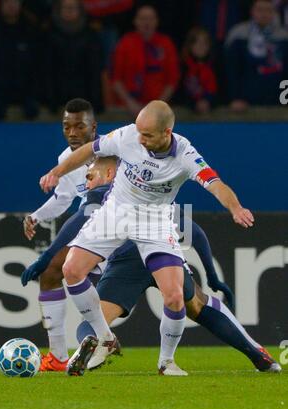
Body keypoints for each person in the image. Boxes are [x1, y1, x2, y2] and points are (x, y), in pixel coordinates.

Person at [39, 100, 257, 377]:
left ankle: (166, 362)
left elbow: (216, 184)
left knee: (175, 295)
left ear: (167, 133)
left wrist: (235, 208)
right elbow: (88, 150)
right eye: (139, 132)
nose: (140, 139)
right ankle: (105, 339)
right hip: (115, 212)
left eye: (148, 135)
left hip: (154, 221)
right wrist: (57, 172)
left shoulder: (186, 154)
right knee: (71, 269)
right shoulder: (128, 135)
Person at [23, 160, 280, 375]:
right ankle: (255, 353)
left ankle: (95, 344)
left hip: (127, 262)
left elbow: (76, 223)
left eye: (91, 174)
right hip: (162, 255)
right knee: (198, 305)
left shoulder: (103, 194)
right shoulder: (151, 189)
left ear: (111, 173)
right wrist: (212, 277)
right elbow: (194, 230)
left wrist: (45, 260)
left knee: (93, 320)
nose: (87, 181)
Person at [23, 98, 104, 371]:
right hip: (92, 230)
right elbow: (64, 198)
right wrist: (37, 215)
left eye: (79, 126)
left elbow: (90, 208)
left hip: (123, 229)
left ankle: (101, 339)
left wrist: (46, 254)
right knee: (51, 274)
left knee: (181, 296)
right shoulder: (65, 160)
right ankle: (58, 356)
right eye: (66, 126)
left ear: (94, 127)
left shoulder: (112, 153)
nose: (72, 133)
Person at [111, 5, 180, 116]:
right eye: (142, 19)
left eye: (151, 19)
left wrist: (157, 106)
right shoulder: (125, 43)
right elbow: (116, 79)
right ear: (135, 21)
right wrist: (130, 103)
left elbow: (172, 80)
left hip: (159, 110)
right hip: (127, 108)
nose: (146, 23)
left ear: (157, 21)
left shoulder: (166, 44)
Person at [225, 0, 288, 111]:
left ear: (274, 12)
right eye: (260, 10)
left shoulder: (283, 36)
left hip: (277, 104)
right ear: (252, 11)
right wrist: (234, 98)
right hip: (244, 105)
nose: (264, 14)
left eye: (268, 10)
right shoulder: (238, 34)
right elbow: (231, 71)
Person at [181, 27, 218, 114]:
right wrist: (194, 104)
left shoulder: (216, 67)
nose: (201, 46)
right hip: (186, 115)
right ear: (190, 45)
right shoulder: (182, 67)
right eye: (197, 42)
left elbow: (220, 93)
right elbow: (179, 94)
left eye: (205, 43)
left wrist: (208, 102)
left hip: (213, 116)